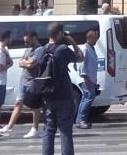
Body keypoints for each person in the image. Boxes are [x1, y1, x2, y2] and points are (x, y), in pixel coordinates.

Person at [42, 23, 84, 155]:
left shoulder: (41, 50)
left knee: (48, 131)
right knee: (65, 131)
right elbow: (80, 57)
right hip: (64, 96)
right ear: (60, 33)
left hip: (47, 96)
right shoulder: (63, 49)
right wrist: (71, 40)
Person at [1, 30, 44, 138]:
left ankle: (35, 128)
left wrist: (27, 63)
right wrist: (26, 62)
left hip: (32, 82)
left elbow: (31, 64)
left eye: (27, 41)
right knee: (18, 103)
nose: (26, 44)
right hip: (23, 80)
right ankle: (9, 126)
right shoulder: (29, 49)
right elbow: (21, 62)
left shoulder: (40, 49)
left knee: (35, 106)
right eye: (25, 42)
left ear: (34, 38)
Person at [75, 29, 99, 130]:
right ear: (89, 38)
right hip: (86, 80)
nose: (96, 40)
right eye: (95, 38)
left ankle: (80, 120)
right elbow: (81, 65)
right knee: (88, 98)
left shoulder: (91, 49)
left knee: (86, 99)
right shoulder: (85, 49)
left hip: (91, 79)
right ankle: (81, 120)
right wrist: (86, 78)